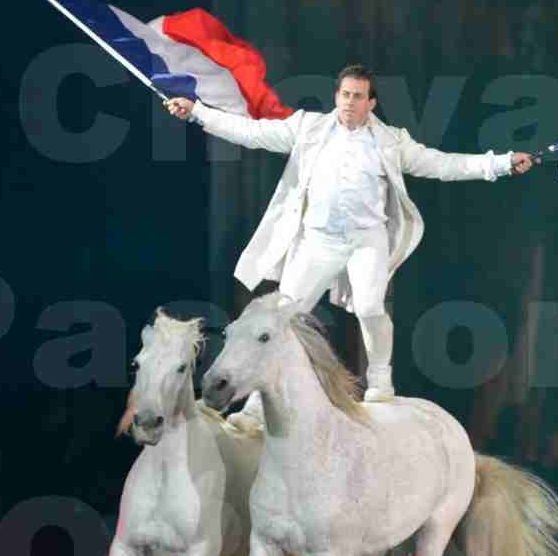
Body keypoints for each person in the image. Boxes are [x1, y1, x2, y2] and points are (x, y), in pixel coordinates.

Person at [164, 63, 538, 413]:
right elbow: (251, 132)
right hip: (317, 241)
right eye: (344, 94)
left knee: (371, 308)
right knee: (279, 317)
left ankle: (380, 382)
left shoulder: (391, 142)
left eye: (358, 96)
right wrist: (197, 112)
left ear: (371, 102)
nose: (349, 101)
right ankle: (258, 403)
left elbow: (444, 164)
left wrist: (500, 163)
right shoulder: (307, 128)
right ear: (336, 96)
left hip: (365, 240)